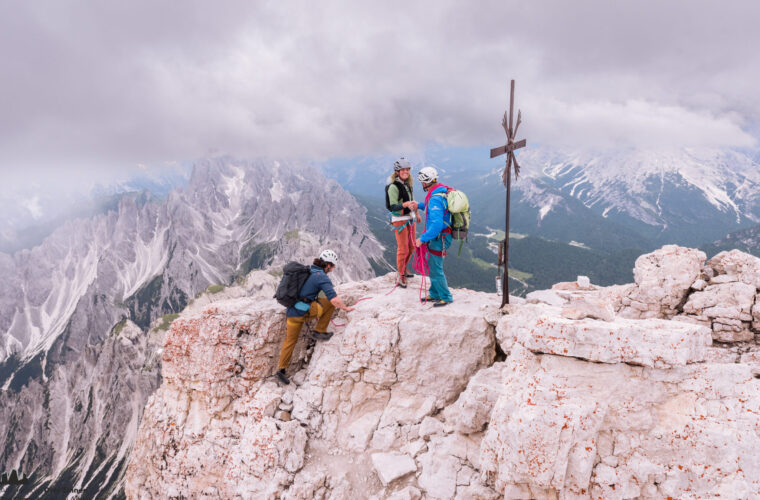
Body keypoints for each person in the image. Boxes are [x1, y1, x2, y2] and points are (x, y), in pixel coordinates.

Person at [276, 249, 354, 385]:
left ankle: (281, 371)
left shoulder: (308, 270)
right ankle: (319, 331)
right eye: (333, 266)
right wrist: (346, 308)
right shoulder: (322, 276)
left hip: (291, 313)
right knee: (329, 304)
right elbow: (334, 300)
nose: (333, 269)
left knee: (290, 341)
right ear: (328, 265)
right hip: (304, 313)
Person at [410, 166, 453, 307]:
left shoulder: (434, 198)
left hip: (439, 238)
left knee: (435, 267)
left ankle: (445, 296)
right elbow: (432, 208)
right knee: (433, 265)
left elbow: (436, 225)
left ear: (426, 182)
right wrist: (419, 205)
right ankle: (435, 293)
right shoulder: (439, 192)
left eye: (422, 181)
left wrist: (421, 239)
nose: (421, 184)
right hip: (441, 237)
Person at [386, 158, 421, 288]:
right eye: (403, 170)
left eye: (407, 169)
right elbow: (393, 206)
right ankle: (401, 275)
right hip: (399, 220)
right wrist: (405, 204)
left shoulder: (408, 184)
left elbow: (411, 200)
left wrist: (416, 213)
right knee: (403, 248)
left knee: (411, 246)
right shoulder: (393, 187)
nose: (406, 172)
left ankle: (404, 268)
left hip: (410, 218)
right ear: (397, 171)